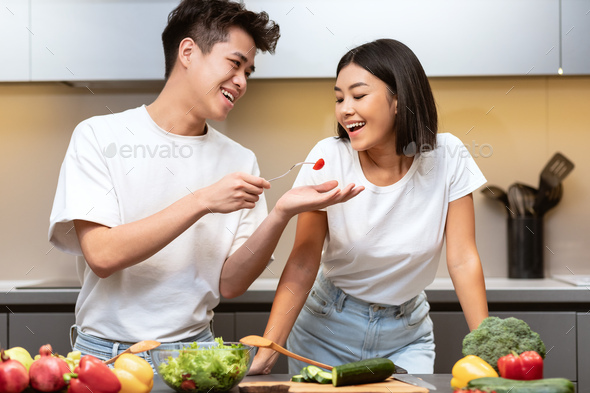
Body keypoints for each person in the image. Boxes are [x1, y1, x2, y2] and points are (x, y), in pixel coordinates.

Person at [48, 0, 363, 362]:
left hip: (194, 354)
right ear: (188, 52)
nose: (242, 82)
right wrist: (201, 201)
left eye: (249, 71)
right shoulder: (99, 136)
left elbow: (230, 283)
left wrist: (281, 213)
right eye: (234, 64)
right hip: (104, 355)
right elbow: (103, 255)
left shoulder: (240, 160)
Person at [250, 39, 489, 375]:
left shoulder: (448, 156)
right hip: (325, 330)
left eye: (358, 95)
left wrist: (487, 346)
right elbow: (304, 262)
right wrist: (270, 346)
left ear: (398, 100)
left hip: (406, 335)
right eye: (338, 98)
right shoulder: (329, 158)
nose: (345, 108)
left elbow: (463, 260)